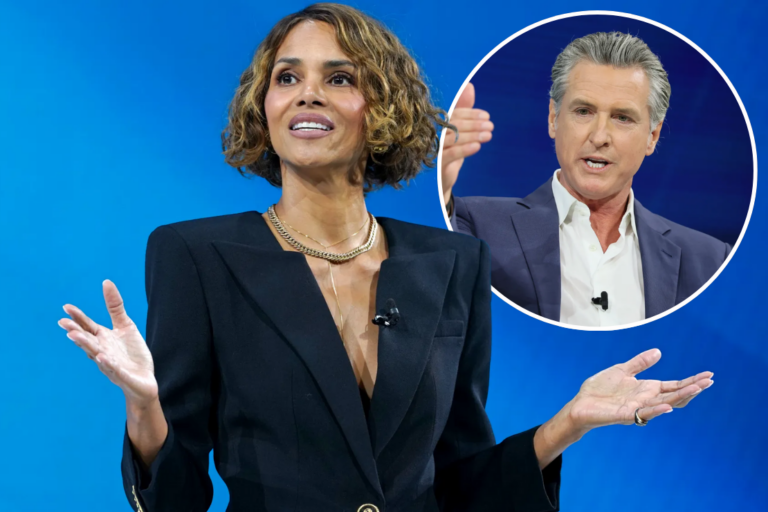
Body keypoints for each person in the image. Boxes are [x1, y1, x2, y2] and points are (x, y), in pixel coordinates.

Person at [58, 8, 713, 511]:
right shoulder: (195, 256)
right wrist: (145, 406)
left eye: (339, 77)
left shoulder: (454, 262)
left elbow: (462, 483)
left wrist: (568, 423)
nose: (307, 94)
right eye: (287, 77)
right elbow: (175, 501)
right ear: (265, 105)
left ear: (383, 109)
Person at [442, 32, 731, 327]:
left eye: (622, 118)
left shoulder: (709, 260)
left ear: (652, 137)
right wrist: (438, 186)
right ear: (553, 119)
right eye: (583, 111)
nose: (599, 136)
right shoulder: (475, 225)